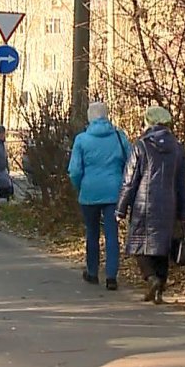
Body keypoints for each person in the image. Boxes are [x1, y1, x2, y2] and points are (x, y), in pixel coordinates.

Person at [118, 106, 185, 304]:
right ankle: (159, 291)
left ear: (149, 122)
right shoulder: (177, 148)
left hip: (144, 204)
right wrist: (184, 210)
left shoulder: (141, 146)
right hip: (169, 204)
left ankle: (151, 279)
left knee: (139, 246)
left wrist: (121, 209)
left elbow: (129, 180)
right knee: (162, 247)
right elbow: (182, 183)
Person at [68, 101, 132, 290]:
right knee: (112, 235)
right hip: (114, 192)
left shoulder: (81, 140)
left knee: (92, 233)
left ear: (90, 117)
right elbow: (130, 163)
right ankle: (111, 276)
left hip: (90, 191)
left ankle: (92, 272)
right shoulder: (120, 137)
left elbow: (74, 170)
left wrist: (80, 186)